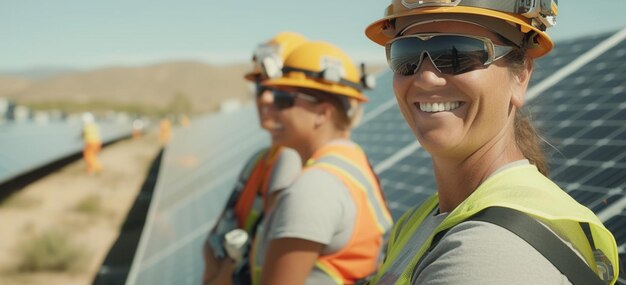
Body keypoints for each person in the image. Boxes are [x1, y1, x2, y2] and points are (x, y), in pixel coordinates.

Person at [363, 1, 619, 284]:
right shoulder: (419, 220)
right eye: (406, 56)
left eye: (457, 53)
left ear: (520, 77)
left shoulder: (486, 257)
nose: (425, 78)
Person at [251, 40, 393, 285]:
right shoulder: (350, 161)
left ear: (323, 113)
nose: (269, 108)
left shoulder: (313, 189)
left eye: (282, 99)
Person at [202, 32, 306, 285]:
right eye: (261, 87)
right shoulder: (259, 162)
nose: (265, 98)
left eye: (278, 89)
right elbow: (212, 241)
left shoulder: (294, 164)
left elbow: (261, 263)